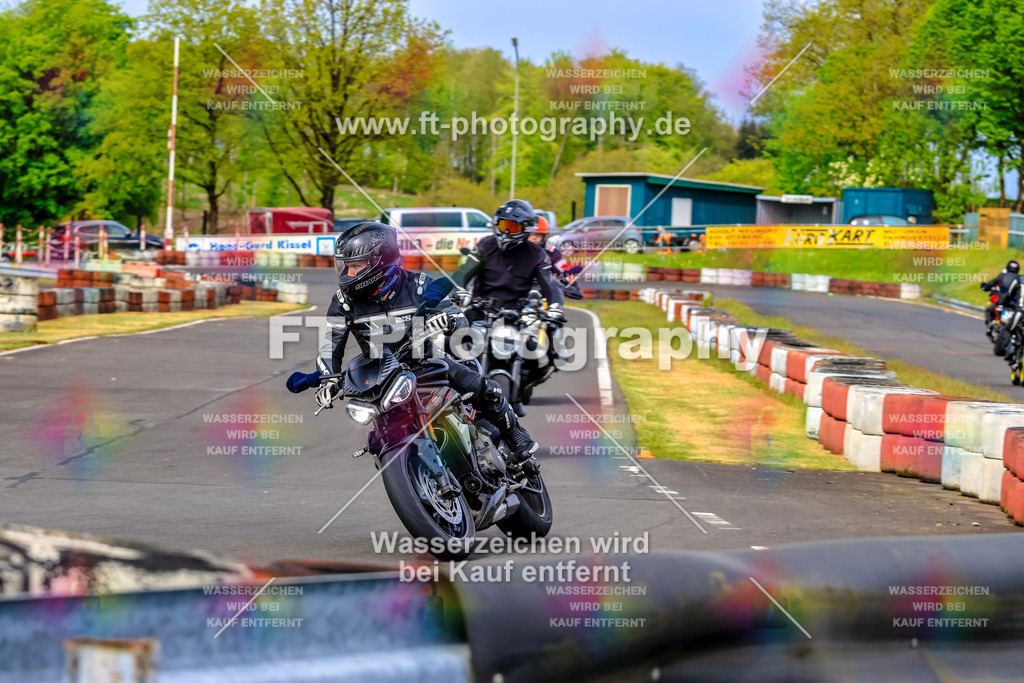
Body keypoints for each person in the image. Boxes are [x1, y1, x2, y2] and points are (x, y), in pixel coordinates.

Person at [308, 221, 539, 469]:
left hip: (426, 364)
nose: (349, 273)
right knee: (377, 439)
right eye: (345, 266)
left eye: (356, 266)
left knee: (483, 388)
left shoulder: (418, 284)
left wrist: (448, 320)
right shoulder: (343, 302)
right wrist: (328, 380)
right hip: (380, 378)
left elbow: (457, 316)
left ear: (379, 260)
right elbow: (331, 345)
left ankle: (517, 437)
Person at [452, 199, 565, 321]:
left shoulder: (537, 254)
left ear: (525, 229)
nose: (506, 232)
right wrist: (459, 290)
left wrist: (555, 307)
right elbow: (464, 271)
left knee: (546, 330)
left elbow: (550, 282)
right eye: (503, 225)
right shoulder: (485, 245)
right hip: (479, 312)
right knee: (454, 331)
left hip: (517, 318)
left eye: (513, 227)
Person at [528, 215, 582, 300]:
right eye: (531, 234)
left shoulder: (552, 252)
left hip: (543, 295)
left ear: (545, 237)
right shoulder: (517, 251)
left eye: (538, 235)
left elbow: (563, 269)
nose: (534, 238)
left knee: (554, 306)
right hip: (519, 294)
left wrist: (572, 286)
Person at [981, 260, 1020, 326]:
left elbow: (990, 284)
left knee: (988, 311)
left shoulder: (1001, 276)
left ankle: (989, 326)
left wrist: (985, 287)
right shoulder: (1020, 279)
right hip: (1015, 305)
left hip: (1002, 303)